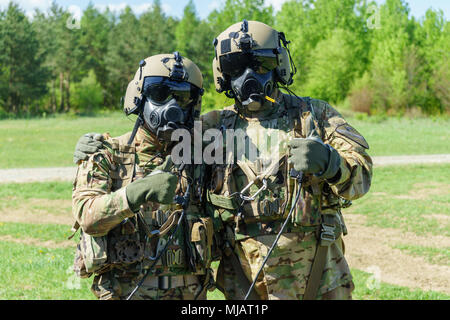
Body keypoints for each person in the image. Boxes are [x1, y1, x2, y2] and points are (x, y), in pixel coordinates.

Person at [74, 21, 373, 300]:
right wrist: (92, 146)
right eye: (236, 67)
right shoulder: (212, 127)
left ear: (279, 66)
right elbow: (152, 144)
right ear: (223, 74)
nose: (249, 76)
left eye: (261, 65)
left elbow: (361, 180)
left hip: (320, 279)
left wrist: (331, 163)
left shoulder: (315, 116)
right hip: (244, 284)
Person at [71, 52, 215, 300]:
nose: (171, 107)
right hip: (125, 292)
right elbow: (86, 215)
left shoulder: (200, 158)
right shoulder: (108, 153)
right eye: (159, 94)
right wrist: (135, 193)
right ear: (139, 97)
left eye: (181, 98)